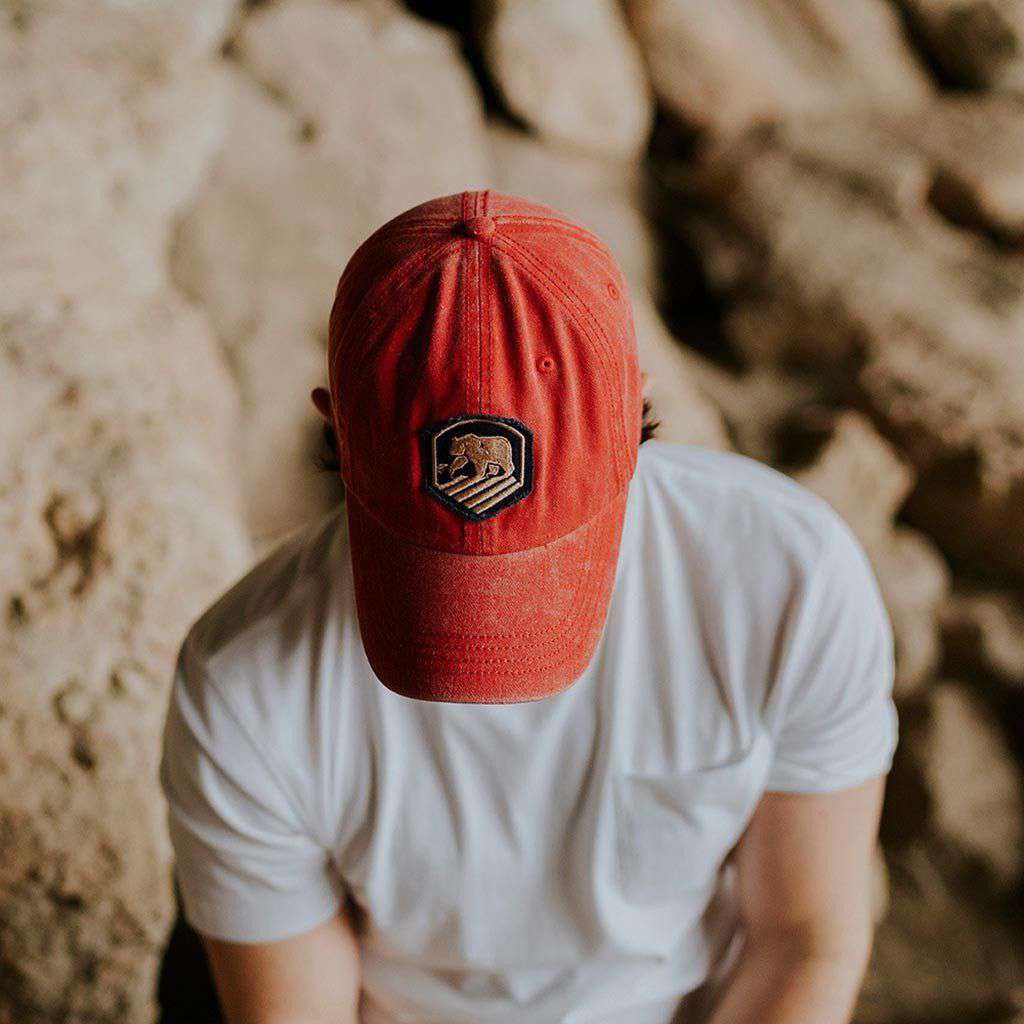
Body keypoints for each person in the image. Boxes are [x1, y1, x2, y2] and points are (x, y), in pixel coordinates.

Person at [159, 190, 898, 1024]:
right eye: (443, 572)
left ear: (637, 405)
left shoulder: (790, 583)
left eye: (538, 558)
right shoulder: (241, 688)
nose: (496, 663)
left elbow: (803, 937)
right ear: (334, 422)